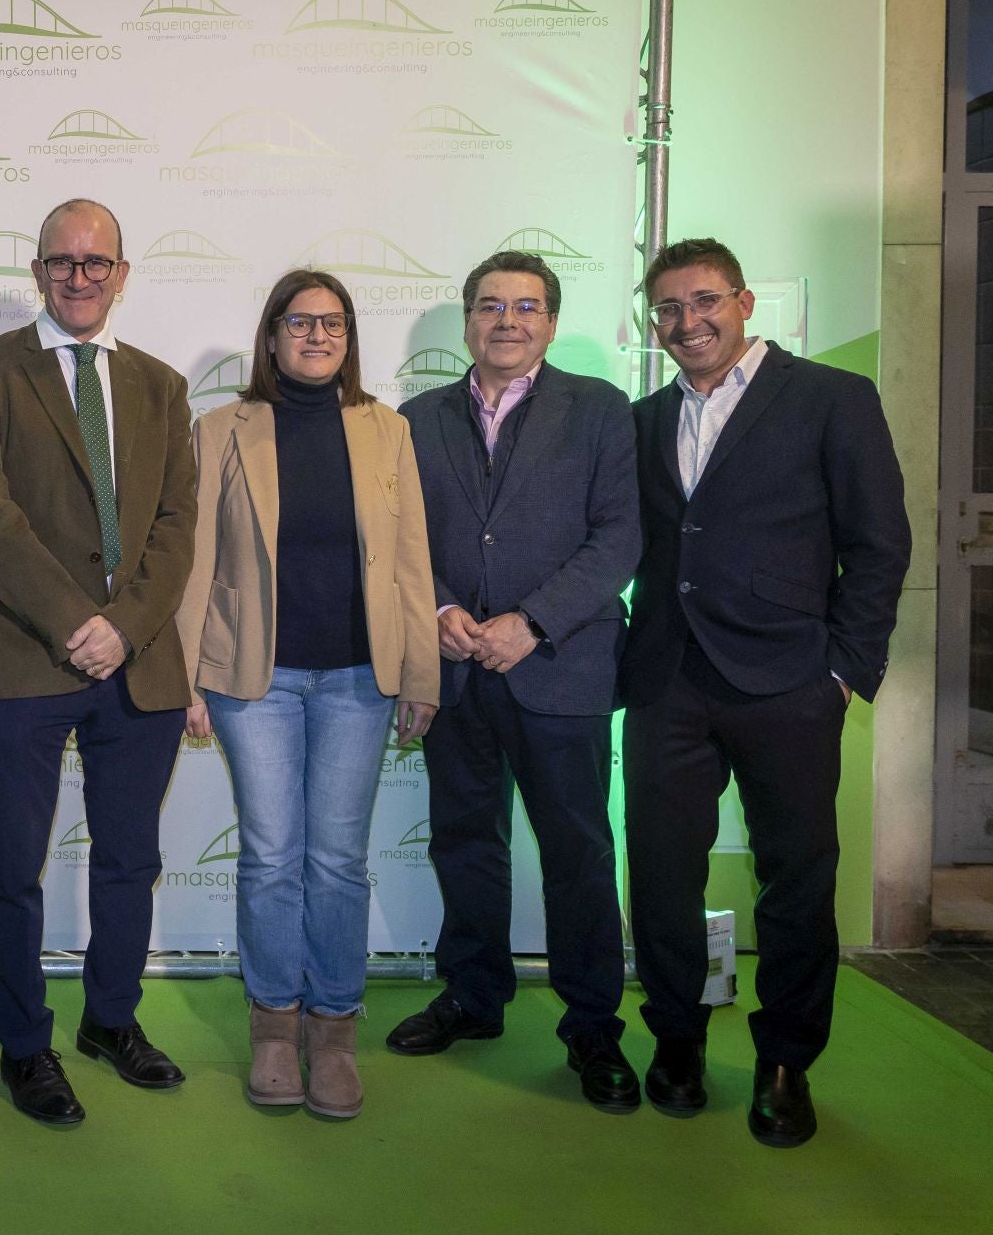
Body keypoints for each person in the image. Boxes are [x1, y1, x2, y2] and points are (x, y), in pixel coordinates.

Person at [622, 237, 910, 1146]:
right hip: (667, 680)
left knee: (796, 879)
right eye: (667, 309)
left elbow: (878, 545)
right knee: (663, 876)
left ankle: (786, 1062)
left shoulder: (833, 398)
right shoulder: (641, 419)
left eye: (703, 301)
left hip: (789, 682)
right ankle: (675, 1040)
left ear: (745, 302)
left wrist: (844, 673)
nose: (686, 322)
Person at [0, 199, 196, 1124]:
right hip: (23, 659)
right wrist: (72, 622)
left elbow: (176, 527)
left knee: (130, 858)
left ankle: (111, 1021)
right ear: (38, 269)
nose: (79, 277)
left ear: (122, 274)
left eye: (97, 263)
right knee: (14, 863)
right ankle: (25, 1043)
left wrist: (124, 627)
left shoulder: (164, 388)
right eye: (63, 261)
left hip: (142, 666)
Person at [175, 269, 439, 1118]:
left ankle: (333, 1030)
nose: (318, 336)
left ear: (349, 337)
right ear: (273, 334)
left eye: (333, 323)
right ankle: (273, 1028)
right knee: (270, 856)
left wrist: (421, 673)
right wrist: (185, 678)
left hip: (361, 681)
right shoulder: (222, 427)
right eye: (301, 322)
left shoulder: (385, 429)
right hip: (257, 680)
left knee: (335, 860)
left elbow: (409, 561)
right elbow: (195, 561)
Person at [389, 251, 642, 1111]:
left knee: (577, 852)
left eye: (527, 306)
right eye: (490, 305)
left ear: (552, 322)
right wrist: (441, 611)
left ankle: (593, 1025)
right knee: (465, 843)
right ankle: (473, 995)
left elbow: (618, 539)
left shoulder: (603, 412)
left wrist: (530, 622)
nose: (508, 320)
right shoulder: (415, 419)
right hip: (456, 670)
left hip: (560, 669)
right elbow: (399, 540)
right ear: (466, 321)